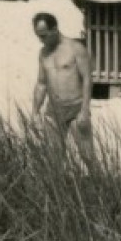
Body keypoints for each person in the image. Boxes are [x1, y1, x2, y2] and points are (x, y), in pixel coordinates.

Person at [31, 12, 96, 170]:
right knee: (54, 158)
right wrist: (35, 111)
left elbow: (87, 79)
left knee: (87, 156)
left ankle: (100, 187)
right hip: (53, 111)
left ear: (55, 29)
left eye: (44, 35)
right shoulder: (43, 53)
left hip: (75, 107)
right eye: (38, 36)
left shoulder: (75, 48)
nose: (41, 40)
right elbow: (41, 83)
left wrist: (85, 110)